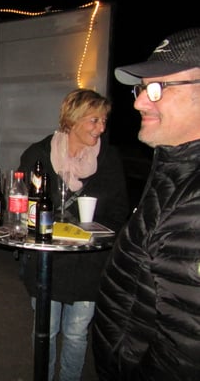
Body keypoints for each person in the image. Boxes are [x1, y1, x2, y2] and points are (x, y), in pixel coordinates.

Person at [93, 28, 200, 380]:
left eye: (158, 88)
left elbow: (183, 356)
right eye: (141, 89)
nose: (139, 102)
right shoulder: (174, 168)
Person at [17, 88, 130, 381]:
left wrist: (95, 231)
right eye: (94, 120)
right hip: (48, 261)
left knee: (77, 333)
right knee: (45, 330)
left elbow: (119, 210)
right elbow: (21, 204)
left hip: (89, 262)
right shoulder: (39, 155)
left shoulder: (109, 158)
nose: (101, 128)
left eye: (104, 121)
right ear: (73, 119)